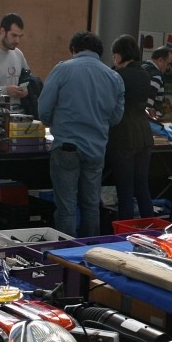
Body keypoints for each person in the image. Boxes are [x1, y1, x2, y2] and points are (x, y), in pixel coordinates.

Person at [38, 30, 124, 237]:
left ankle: (65, 251)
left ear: (74, 50)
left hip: (67, 148)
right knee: (91, 205)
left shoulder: (62, 70)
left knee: (67, 207)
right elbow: (116, 118)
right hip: (96, 150)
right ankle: (90, 251)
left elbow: (44, 109)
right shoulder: (114, 77)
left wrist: (53, 122)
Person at [106, 34, 154, 222]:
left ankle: (125, 230)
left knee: (125, 189)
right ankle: (151, 226)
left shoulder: (117, 76)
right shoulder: (145, 74)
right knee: (142, 186)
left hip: (123, 135)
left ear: (119, 55)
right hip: (144, 134)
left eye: (114, 55)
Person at [140, 45, 171, 119]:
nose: (168, 67)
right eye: (168, 63)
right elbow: (148, 103)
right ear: (160, 60)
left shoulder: (142, 67)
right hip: (149, 119)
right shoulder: (156, 76)